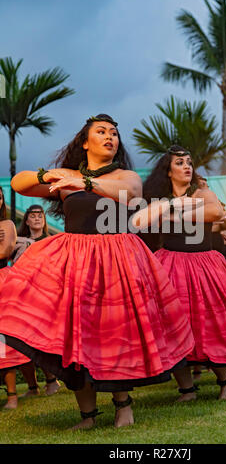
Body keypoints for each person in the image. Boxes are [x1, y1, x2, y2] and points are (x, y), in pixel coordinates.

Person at [0, 114, 194, 429]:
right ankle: (87, 416)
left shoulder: (126, 176)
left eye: (114, 133)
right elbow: (19, 183)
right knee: (77, 337)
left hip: (118, 260)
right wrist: (56, 174)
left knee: (115, 334)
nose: (110, 137)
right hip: (75, 262)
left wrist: (85, 181)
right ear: (85, 142)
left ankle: (123, 407)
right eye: (101, 132)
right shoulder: (66, 177)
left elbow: (131, 195)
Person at [133, 146, 226, 401]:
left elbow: (215, 213)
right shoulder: (159, 197)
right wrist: (172, 206)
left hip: (203, 264)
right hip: (170, 264)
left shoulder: (203, 192)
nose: (187, 167)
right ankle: (186, 388)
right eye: (180, 163)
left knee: (209, 324)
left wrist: (169, 212)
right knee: (171, 325)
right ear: (168, 171)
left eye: (189, 162)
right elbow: (139, 221)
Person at [13, 205, 61, 397]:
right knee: (21, 341)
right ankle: (33, 386)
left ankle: (52, 381)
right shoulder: (17, 242)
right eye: (32, 216)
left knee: (44, 341)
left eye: (40, 215)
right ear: (26, 220)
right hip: (23, 295)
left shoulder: (52, 241)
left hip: (45, 296)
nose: (36, 218)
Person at [0, 186, 31, 409]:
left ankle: (13, 394)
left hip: (3, 280)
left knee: (5, 337)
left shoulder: (6, 225)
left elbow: (4, 251)